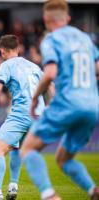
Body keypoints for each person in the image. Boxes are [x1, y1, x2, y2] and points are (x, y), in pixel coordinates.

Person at [20, 0, 99, 200]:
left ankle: (49, 196)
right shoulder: (85, 39)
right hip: (92, 106)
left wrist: (36, 96)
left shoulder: (51, 40)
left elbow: (50, 73)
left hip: (67, 104)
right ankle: (93, 190)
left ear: (46, 20)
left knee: (28, 148)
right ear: (68, 18)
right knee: (63, 159)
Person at [0, 34, 45, 200]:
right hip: (40, 115)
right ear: (18, 48)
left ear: (2, 51)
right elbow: (51, 87)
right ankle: (13, 186)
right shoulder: (33, 66)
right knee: (15, 147)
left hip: (22, 113)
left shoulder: (6, 65)